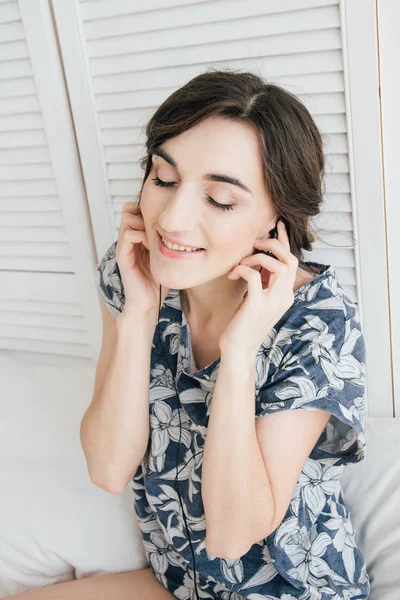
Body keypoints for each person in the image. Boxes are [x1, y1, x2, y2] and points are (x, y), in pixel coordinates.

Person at [10, 70, 369, 599]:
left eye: (220, 200)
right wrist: (137, 316)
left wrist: (240, 350)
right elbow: (110, 468)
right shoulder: (131, 268)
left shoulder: (318, 322)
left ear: (278, 222)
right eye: (163, 178)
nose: (173, 221)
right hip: (179, 582)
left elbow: (230, 535)